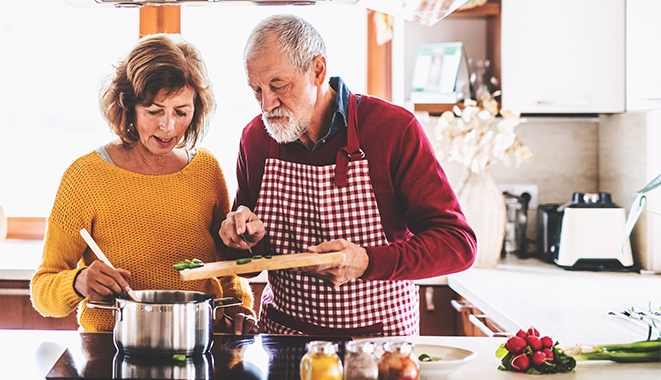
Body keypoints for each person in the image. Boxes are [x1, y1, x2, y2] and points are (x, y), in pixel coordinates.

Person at [219, 14, 476, 336]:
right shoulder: (256, 138)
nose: (267, 104)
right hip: (283, 339)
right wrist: (244, 239)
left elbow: (458, 244)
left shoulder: (392, 129)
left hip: (379, 343)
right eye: (256, 89)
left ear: (317, 70)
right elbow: (244, 259)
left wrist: (366, 261)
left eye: (278, 85)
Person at [31, 34, 255, 334]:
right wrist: (77, 282)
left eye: (181, 111)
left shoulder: (206, 169)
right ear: (128, 106)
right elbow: (44, 291)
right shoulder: (85, 177)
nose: (168, 126)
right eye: (154, 111)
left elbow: (224, 266)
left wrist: (239, 308)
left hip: (198, 340)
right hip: (112, 348)